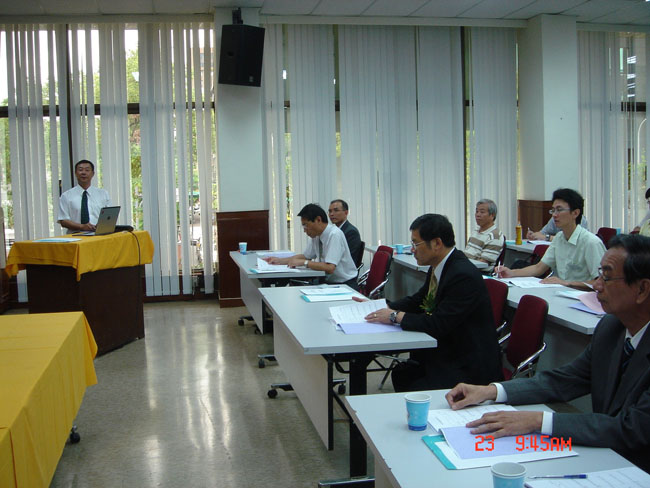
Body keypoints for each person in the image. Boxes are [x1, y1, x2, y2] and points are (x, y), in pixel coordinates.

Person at [446, 234, 650, 473]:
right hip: (607, 457)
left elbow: (631, 428)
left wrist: (537, 421)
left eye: (607, 277)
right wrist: (491, 391)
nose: (596, 286)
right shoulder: (611, 328)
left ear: (642, 289)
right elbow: (563, 380)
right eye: (599, 275)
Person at [361, 213, 503, 392]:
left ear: (437, 243)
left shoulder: (462, 275)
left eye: (416, 244)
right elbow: (418, 300)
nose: (412, 249)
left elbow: (438, 323)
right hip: (445, 350)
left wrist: (394, 316)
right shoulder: (440, 265)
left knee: (410, 380)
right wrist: (383, 307)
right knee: (402, 374)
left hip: (467, 364)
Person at [497, 188, 605, 290]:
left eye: (559, 210)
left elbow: (602, 282)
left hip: (583, 298)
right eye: (553, 210)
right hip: (562, 293)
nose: (554, 215)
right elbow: (539, 268)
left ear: (575, 213)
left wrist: (567, 283)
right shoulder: (559, 238)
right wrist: (511, 273)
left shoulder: (591, 242)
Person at [265, 203, 358, 289]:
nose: (304, 230)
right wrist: (280, 261)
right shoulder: (317, 235)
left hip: (344, 285)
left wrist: (304, 263)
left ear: (318, 220)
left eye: (306, 225)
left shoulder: (334, 234)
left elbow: (330, 268)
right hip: (327, 282)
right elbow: (306, 256)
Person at [58, 160, 111, 233]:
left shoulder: (103, 194)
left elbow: (110, 215)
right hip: (75, 235)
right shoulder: (66, 196)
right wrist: (82, 227)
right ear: (75, 173)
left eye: (87, 170)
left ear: (93, 174)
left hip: (99, 235)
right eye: (80, 170)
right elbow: (63, 220)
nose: (83, 173)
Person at [463, 199, 504, 273]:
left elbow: (482, 263)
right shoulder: (476, 231)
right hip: (467, 268)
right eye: (477, 211)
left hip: (478, 273)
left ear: (492, 215)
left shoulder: (494, 236)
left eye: (482, 212)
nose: (478, 215)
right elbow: (468, 254)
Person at [328, 199, 362, 267]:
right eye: (330, 211)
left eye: (336, 210)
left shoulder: (351, 232)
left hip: (344, 271)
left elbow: (348, 259)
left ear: (346, 213)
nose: (331, 214)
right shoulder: (333, 230)